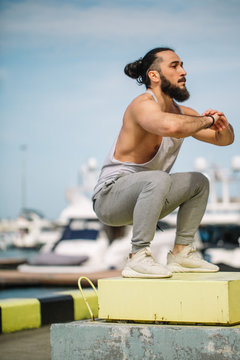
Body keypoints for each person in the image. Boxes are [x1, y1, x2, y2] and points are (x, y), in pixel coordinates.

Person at [92, 47, 234, 278]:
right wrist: (206, 120)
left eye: (182, 65)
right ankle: (137, 257)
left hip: (149, 195)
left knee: (199, 182)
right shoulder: (142, 105)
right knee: (158, 178)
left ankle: (181, 253)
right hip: (109, 200)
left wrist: (222, 126)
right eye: (175, 65)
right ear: (154, 75)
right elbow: (171, 127)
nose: (184, 71)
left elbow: (224, 141)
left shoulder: (183, 112)